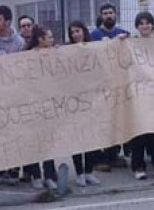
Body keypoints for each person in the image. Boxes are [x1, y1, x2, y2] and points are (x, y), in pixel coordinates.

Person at [126, 12, 154, 180]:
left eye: (148, 23)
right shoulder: (131, 43)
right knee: (139, 133)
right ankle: (138, 167)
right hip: (137, 94)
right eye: (141, 23)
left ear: (152, 25)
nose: (144, 26)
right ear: (137, 26)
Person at [0, 6, 27, 184]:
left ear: (8, 22)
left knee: (13, 132)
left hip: (12, 93)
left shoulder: (18, 42)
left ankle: (13, 168)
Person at [88, 3, 129, 171]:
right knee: (101, 122)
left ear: (116, 14)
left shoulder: (123, 34)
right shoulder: (94, 35)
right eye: (105, 13)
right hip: (100, 85)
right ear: (101, 16)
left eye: (111, 13)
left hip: (119, 84)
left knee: (117, 121)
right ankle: (99, 158)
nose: (108, 16)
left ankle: (113, 155)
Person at [22, 25, 61, 189]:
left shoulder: (54, 54)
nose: (52, 40)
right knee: (33, 140)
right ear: (40, 39)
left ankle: (50, 175)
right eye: (49, 37)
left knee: (48, 141)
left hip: (49, 102)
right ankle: (35, 174)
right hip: (32, 102)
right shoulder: (27, 57)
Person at [64, 21, 102, 187]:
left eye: (78, 31)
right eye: (72, 32)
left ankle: (89, 172)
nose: (75, 35)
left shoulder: (93, 49)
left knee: (92, 138)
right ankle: (79, 173)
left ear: (84, 31)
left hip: (92, 100)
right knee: (77, 139)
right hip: (73, 102)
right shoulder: (66, 52)